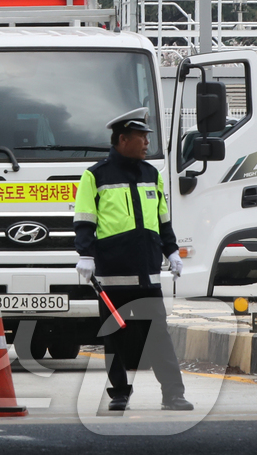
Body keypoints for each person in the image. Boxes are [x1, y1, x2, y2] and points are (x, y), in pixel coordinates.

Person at [73, 107, 192, 412]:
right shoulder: (95, 175)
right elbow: (84, 219)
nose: (146, 143)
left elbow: (162, 220)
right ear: (123, 139)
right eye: (141, 137)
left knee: (159, 335)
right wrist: (85, 255)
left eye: (147, 137)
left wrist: (171, 250)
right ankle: (120, 395)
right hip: (113, 273)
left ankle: (173, 395)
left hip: (147, 272)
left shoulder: (152, 174)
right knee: (113, 337)